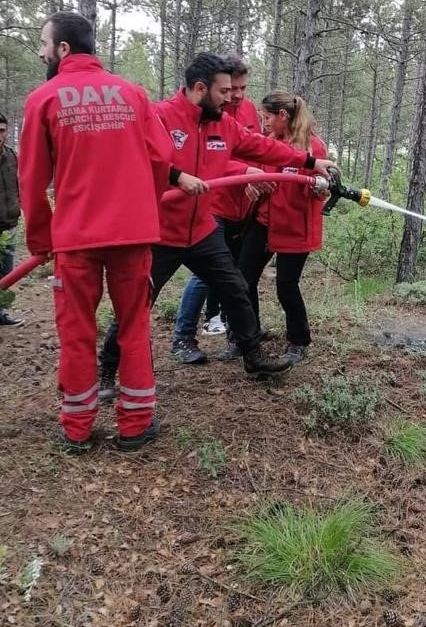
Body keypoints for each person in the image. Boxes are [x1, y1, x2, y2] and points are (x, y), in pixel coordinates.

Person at [99, 54, 334, 395]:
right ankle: (106, 372)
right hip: (162, 231)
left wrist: (310, 160)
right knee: (136, 301)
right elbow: (132, 158)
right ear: (199, 88)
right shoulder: (161, 117)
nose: (230, 98)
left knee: (235, 288)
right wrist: (177, 176)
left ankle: (253, 355)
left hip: (202, 230)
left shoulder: (224, 124)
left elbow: (263, 148)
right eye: (223, 91)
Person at [19, 11, 181, 452]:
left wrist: (40, 238)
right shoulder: (133, 94)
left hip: (76, 239)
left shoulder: (43, 99)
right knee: (133, 326)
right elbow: (161, 157)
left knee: (77, 332)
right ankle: (136, 424)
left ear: (63, 49)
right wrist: (141, 210)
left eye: (43, 44)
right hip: (132, 236)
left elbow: (32, 180)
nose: (40, 53)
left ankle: (77, 427)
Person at [172, 53, 271, 362]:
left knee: (235, 278)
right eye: (231, 89)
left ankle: (243, 342)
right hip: (212, 206)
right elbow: (209, 158)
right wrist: (244, 173)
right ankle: (183, 337)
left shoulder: (248, 110)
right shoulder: (201, 113)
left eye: (242, 88)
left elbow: (255, 146)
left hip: (246, 207)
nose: (237, 95)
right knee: (205, 276)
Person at [237, 91, 328, 370]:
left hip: (294, 228)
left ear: (283, 116)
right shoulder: (268, 144)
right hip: (265, 222)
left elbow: (321, 188)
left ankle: (299, 340)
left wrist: (316, 187)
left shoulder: (313, 147)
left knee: (286, 286)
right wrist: (251, 183)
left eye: (267, 117)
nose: (263, 123)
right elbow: (255, 172)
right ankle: (250, 337)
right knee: (243, 279)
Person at [0, 111, 23, 326]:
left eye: (2, 131)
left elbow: (18, 185)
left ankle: (1, 313)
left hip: (9, 225)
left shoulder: (11, 156)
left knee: (6, 273)